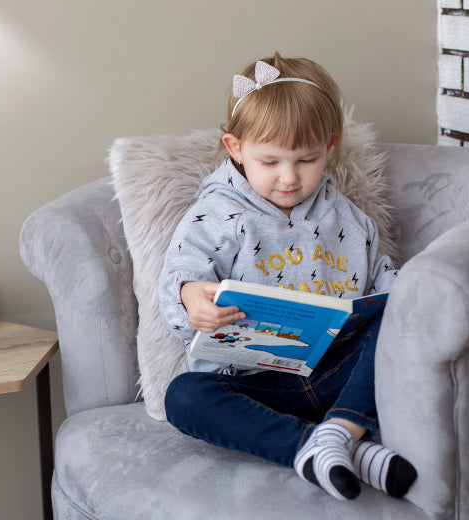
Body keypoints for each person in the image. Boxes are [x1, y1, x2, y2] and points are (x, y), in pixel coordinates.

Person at [157, 53, 417, 501]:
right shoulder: (216, 215)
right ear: (235, 148)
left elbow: (384, 285)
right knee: (183, 396)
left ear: (330, 146)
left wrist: (405, 298)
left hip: (338, 374)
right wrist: (190, 300)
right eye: (271, 161)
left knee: (399, 310)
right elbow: (182, 280)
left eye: (307, 159)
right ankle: (321, 447)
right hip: (255, 387)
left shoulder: (352, 221)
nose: (290, 178)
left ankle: (342, 429)